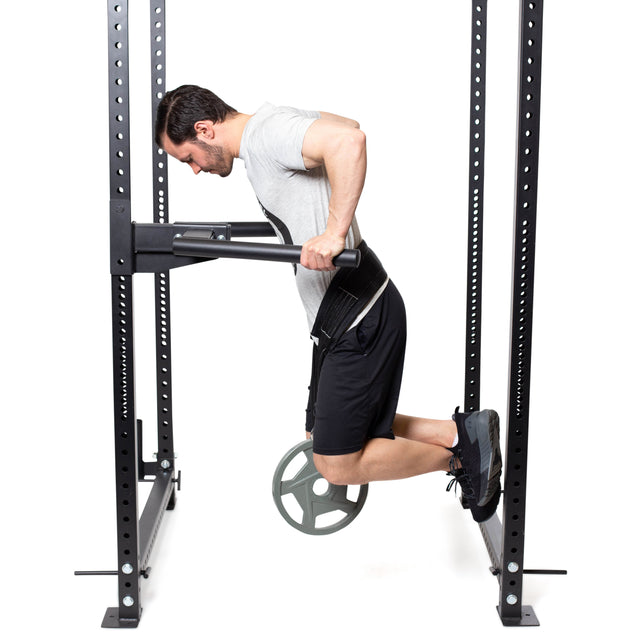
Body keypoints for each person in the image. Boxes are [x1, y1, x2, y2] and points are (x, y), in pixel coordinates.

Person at [155, 85, 502, 522]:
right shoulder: (270, 128)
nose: (194, 169)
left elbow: (348, 141)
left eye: (188, 157)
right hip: (338, 318)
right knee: (321, 432)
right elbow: (346, 126)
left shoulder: (267, 133)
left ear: (204, 129)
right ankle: (459, 433)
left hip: (358, 313)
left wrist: (335, 232)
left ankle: (459, 459)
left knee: (335, 463)